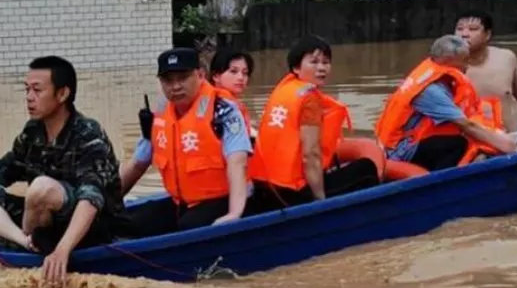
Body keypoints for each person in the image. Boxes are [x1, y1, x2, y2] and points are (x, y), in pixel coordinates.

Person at [0, 55, 126, 288]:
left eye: (37, 90)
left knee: (41, 187)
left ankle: (27, 242)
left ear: (62, 94)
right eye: (26, 90)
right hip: (41, 223)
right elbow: (1, 169)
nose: (29, 98)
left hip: (91, 226)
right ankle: (26, 243)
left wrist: (63, 250)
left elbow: (91, 198)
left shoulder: (88, 134)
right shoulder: (33, 132)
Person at [119, 47, 252, 234]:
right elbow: (138, 164)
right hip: (180, 202)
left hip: (222, 198)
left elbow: (237, 162)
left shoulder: (222, 109)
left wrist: (234, 213)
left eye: (183, 78)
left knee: (189, 226)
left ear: (200, 75)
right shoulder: (160, 114)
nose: (175, 87)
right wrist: (106, 203)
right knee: (127, 224)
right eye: (168, 80)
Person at [248, 36, 380, 211]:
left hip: (263, 187)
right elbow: (310, 154)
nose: (321, 68)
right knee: (366, 168)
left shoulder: (284, 90)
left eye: (325, 62)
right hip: (289, 194)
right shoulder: (309, 99)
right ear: (296, 67)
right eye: (314, 62)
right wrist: (320, 200)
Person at [374, 34, 516, 172]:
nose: (467, 67)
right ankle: (439, 181)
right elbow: (466, 124)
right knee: (457, 143)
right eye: (464, 60)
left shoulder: (430, 73)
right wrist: (507, 146)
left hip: (398, 144)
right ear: (449, 59)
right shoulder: (430, 90)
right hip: (400, 152)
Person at [208, 47, 257, 140]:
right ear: (216, 76)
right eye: (233, 71)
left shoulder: (210, 99)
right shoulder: (222, 106)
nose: (241, 77)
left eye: (245, 73)